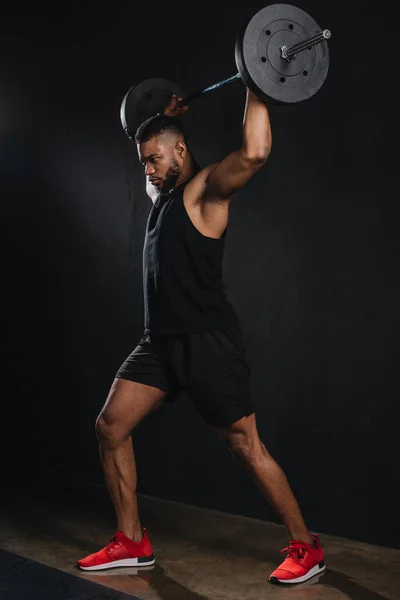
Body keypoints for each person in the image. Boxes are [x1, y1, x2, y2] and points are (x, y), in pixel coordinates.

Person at [77, 88, 325, 585]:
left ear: (181, 153)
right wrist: (163, 118)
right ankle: (132, 541)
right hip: (159, 344)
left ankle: (307, 546)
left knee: (246, 448)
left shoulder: (207, 190)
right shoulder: (163, 195)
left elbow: (254, 153)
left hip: (207, 343)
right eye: (144, 161)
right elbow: (157, 160)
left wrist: (259, 88)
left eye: (153, 159)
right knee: (109, 427)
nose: (147, 170)